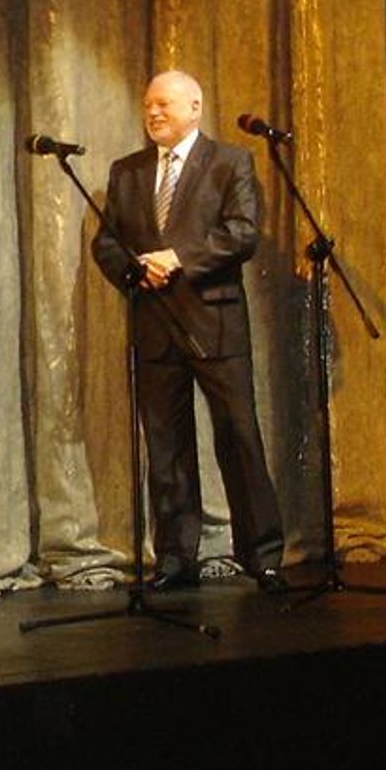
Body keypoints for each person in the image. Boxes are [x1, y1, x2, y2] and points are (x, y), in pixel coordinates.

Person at [90, 69, 287, 594]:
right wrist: (136, 270)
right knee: (166, 447)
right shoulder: (127, 172)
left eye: (164, 105)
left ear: (194, 108)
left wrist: (179, 258)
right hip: (155, 326)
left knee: (239, 437)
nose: (153, 113)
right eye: (148, 105)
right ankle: (176, 558)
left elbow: (242, 234)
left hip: (214, 323)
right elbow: (106, 244)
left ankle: (262, 554)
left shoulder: (230, 163)